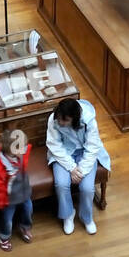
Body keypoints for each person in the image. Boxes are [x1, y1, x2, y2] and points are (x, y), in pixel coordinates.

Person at [46, 97, 110, 235]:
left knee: (87, 188)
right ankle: (68, 214)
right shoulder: (54, 119)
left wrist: (81, 170)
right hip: (63, 153)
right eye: (59, 119)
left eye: (66, 121)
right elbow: (54, 145)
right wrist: (71, 167)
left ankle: (87, 218)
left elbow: (93, 147)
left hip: (85, 154)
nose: (61, 123)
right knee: (61, 183)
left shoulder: (89, 120)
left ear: (74, 119)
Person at [0, 128, 33, 251]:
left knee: (28, 210)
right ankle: (3, 237)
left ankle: (25, 226)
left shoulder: (21, 153)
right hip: (8, 198)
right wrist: (0, 203)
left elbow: (25, 147)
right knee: (7, 220)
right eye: (21, 148)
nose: (25, 149)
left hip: (23, 190)